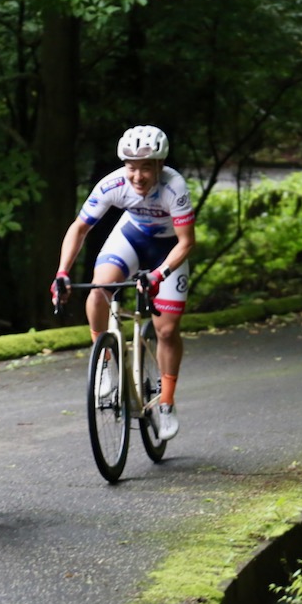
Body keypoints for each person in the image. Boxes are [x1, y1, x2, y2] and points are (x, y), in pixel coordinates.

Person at [51, 125, 196, 441]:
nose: (138, 176)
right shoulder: (113, 184)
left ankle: (167, 402)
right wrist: (62, 271)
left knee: (167, 330)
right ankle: (105, 362)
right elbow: (78, 229)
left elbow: (186, 242)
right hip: (131, 237)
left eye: (146, 168)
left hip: (168, 250)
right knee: (99, 289)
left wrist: (159, 275)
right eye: (132, 167)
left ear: (160, 165)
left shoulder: (175, 187)